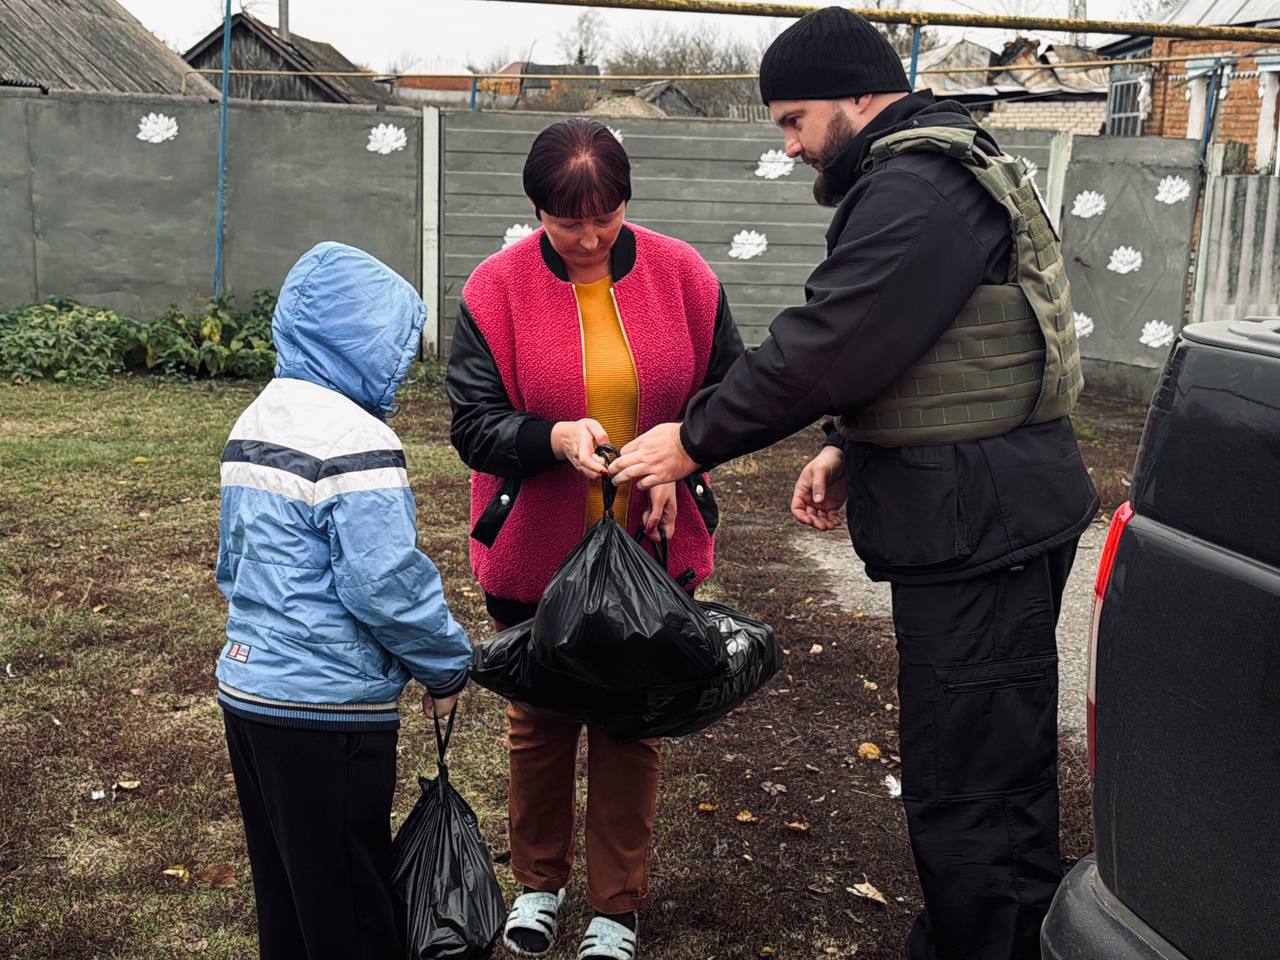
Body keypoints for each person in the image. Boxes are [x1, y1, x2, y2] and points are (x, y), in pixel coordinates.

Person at [610, 9, 1099, 960]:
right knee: (985, 762)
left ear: (857, 96)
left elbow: (829, 340)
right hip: (986, 507)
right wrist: (850, 442)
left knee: (973, 782)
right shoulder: (921, 174)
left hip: (980, 526)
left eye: (795, 120)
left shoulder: (918, 184)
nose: (790, 146)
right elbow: (909, 343)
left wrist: (694, 438)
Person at [446, 118, 743, 960]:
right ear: (534, 208)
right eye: (564, 220)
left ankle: (616, 906)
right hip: (531, 552)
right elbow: (472, 424)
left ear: (626, 202)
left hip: (654, 546)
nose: (585, 238)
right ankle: (539, 886)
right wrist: (552, 440)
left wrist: (676, 464)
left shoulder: (684, 275)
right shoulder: (494, 289)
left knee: (628, 726)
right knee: (538, 722)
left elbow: (731, 396)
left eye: (604, 217)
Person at [215, 241, 472, 960]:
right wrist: (446, 666)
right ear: (366, 343)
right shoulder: (357, 440)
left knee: (290, 890)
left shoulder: (254, 420)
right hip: (328, 713)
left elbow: (232, 563)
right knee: (352, 904)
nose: (403, 364)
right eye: (397, 346)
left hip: (249, 693)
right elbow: (384, 585)